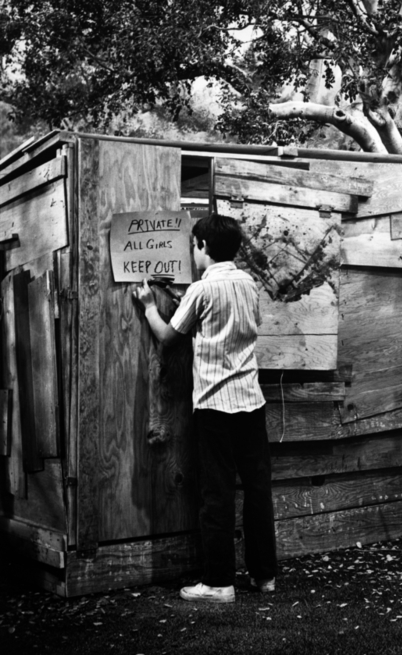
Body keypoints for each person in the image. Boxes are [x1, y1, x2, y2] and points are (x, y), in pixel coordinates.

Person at [134, 213, 277, 604]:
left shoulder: (201, 290)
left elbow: (167, 338)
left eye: (194, 246)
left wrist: (149, 306)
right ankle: (264, 576)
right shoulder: (249, 284)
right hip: (251, 402)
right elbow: (241, 325)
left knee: (216, 493)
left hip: (214, 405)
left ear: (201, 246)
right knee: (257, 490)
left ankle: (219, 583)